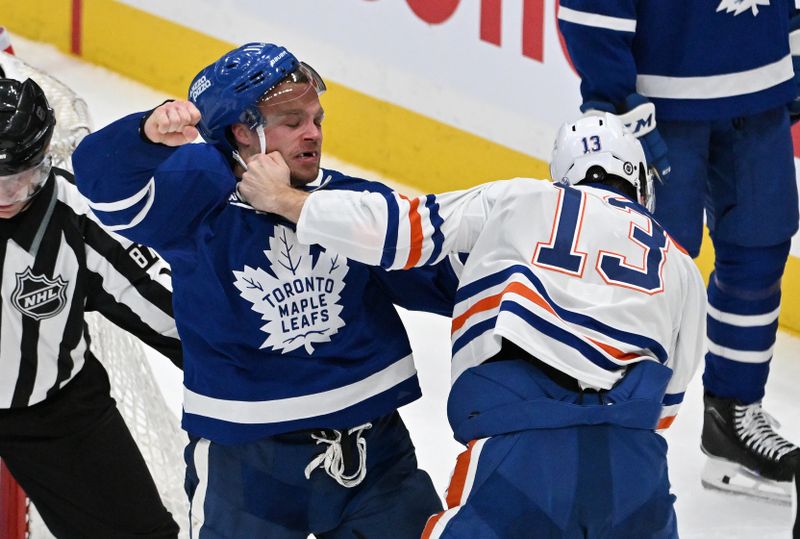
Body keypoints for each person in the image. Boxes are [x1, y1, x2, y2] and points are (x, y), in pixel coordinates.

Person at [239, 112, 707, 537]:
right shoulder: (680, 264)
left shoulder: (520, 198)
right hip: (632, 469)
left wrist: (284, 199)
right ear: (641, 182)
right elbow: (666, 406)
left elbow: (400, 230)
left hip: (522, 449)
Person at [73, 42, 458, 538]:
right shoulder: (197, 200)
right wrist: (147, 131)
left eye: (316, 118)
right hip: (248, 466)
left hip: (375, 456)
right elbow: (99, 177)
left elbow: (441, 279)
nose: (313, 133)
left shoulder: (349, 203)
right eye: (292, 120)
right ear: (241, 131)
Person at [557, 0, 800, 503]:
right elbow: (590, 11)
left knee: (759, 252)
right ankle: (606, 436)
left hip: (761, 94)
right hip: (660, 108)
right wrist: (616, 102)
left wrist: (793, 61)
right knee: (643, 274)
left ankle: (732, 420)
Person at [0, 77, 182, 537]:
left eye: (25, 176)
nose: (10, 196)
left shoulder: (73, 214)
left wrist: (251, 366)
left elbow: (156, 305)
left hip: (56, 413)